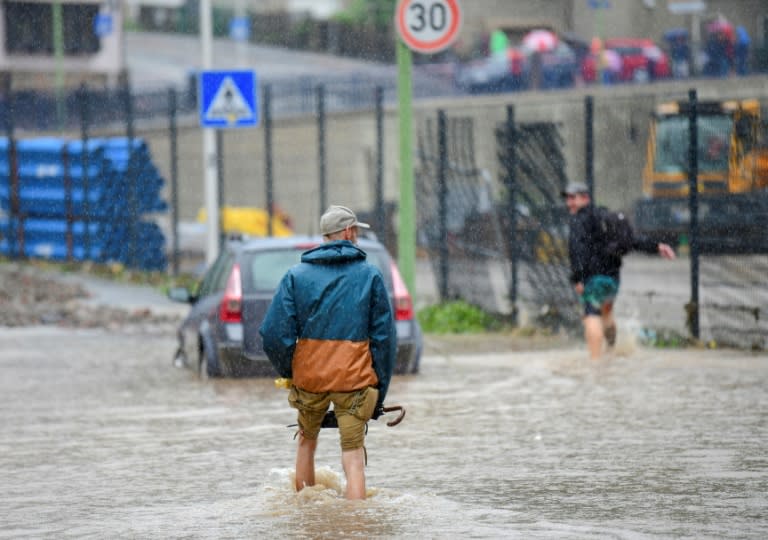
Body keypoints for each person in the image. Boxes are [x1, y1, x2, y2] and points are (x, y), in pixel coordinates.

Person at [259, 205, 396, 500]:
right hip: (355, 382)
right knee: (353, 456)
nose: (357, 236)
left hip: (310, 380)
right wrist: (379, 394)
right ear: (348, 233)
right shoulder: (370, 276)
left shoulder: (295, 276)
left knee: (306, 443)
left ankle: (307, 517)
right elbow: (384, 340)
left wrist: (291, 370)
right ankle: (356, 524)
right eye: (356, 231)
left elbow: (272, 334)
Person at [562, 182, 676, 359]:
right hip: (613, 279)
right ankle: (610, 352)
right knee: (607, 314)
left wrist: (578, 278)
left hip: (593, 278)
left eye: (573, 198)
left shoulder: (579, 220)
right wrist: (657, 246)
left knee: (591, 315)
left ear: (585, 198)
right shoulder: (606, 216)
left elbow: (576, 250)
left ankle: (595, 363)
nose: (569, 203)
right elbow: (630, 240)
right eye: (567, 199)